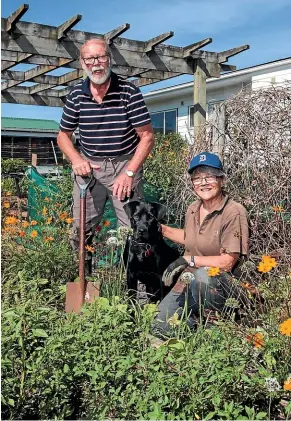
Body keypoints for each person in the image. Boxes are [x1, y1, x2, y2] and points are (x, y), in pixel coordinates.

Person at [57, 38, 154, 262]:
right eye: (90, 58)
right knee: (81, 228)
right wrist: (76, 159)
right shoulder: (75, 95)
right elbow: (63, 135)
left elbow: (147, 136)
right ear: (82, 63)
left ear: (109, 60)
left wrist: (130, 172)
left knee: (134, 226)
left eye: (101, 57)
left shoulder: (128, 92)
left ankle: (136, 288)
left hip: (124, 164)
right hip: (90, 167)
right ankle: (84, 280)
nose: (96, 63)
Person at [153, 152, 250, 333]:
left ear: (222, 179)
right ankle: (198, 327)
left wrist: (188, 260)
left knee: (203, 276)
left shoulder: (234, 212)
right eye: (197, 178)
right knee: (160, 326)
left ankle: (223, 326)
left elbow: (227, 261)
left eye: (209, 176)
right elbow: (190, 237)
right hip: (190, 280)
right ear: (192, 184)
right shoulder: (193, 208)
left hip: (223, 284)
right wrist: (159, 229)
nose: (203, 183)